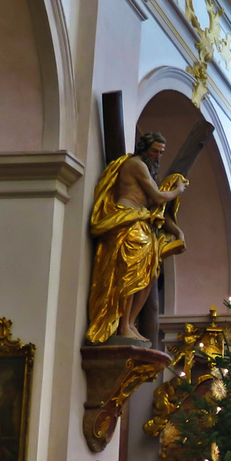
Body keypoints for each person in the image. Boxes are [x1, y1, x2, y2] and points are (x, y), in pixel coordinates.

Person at [85, 132, 188, 343]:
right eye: (154, 151)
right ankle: (122, 326)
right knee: (131, 274)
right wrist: (177, 190)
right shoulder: (136, 165)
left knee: (149, 274)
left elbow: (155, 207)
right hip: (128, 220)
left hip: (141, 220)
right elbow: (159, 197)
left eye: (161, 152)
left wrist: (178, 232)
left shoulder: (147, 170)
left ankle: (130, 323)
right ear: (144, 149)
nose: (158, 156)